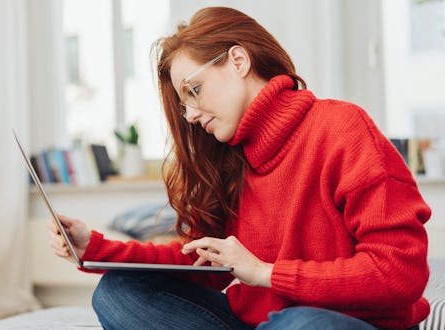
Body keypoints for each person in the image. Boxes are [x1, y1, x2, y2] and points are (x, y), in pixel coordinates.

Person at [47, 6, 431, 330]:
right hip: (261, 324)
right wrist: (97, 250)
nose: (192, 115)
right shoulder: (230, 157)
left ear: (239, 60)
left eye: (194, 90)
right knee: (119, 294)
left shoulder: (342, 129)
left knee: (300, 323)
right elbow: (204, 260)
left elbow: (399, 273)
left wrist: (267, 273)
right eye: (184, 105)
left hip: (339, 322)